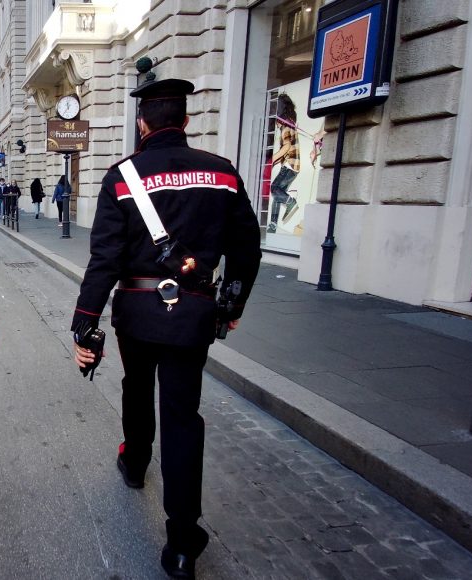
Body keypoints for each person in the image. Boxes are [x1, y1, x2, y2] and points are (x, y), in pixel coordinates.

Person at [69, 78, 261, 579]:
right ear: (186, 121)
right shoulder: (222, 173)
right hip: (193, 312)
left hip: (136, 309)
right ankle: (181, 542)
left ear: (143, 123)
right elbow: (246, 248)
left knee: (136, 386)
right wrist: (231, 302)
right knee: (182, 415)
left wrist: (85, 323)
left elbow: (104, 259)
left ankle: (134, 462)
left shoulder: (121, 176)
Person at [267, 94, 300, 234]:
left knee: (274, 188)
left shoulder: (286, 126)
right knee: (277, 195)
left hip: (290, 165)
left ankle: (290, 202)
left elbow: (286, 147)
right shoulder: (291, 123)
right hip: (293, 166)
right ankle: (273, 225)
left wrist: (272, 159)